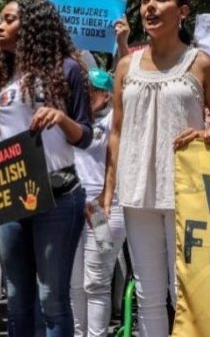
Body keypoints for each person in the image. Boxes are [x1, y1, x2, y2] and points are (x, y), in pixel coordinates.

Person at [102, 0, 210, 337]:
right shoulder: (126, 66)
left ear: (182, 12)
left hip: (186, 194)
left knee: (184, 292)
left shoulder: (203, 64)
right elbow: (116, 130)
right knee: (147, 293)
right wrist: (109, 190)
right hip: (135, 194)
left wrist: (208, 133)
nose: (150, 6)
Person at [0, 0, 92, 336]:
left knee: (51, 299)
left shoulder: (66, 69)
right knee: (16, 299)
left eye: (9, 19)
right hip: (10, 196)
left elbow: (85, 136)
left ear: (32, 27)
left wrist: (61, 118)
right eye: (1, 19)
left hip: (57, 195)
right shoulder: (1, 77)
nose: (0, 26)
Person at [69, 67, 127, 337]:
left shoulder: (115, 119)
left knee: (96, 282)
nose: (83, 95)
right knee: (74, 283)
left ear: (106, 95)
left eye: (90, 91)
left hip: (101, 210)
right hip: (71, 207)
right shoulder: (74, 119)